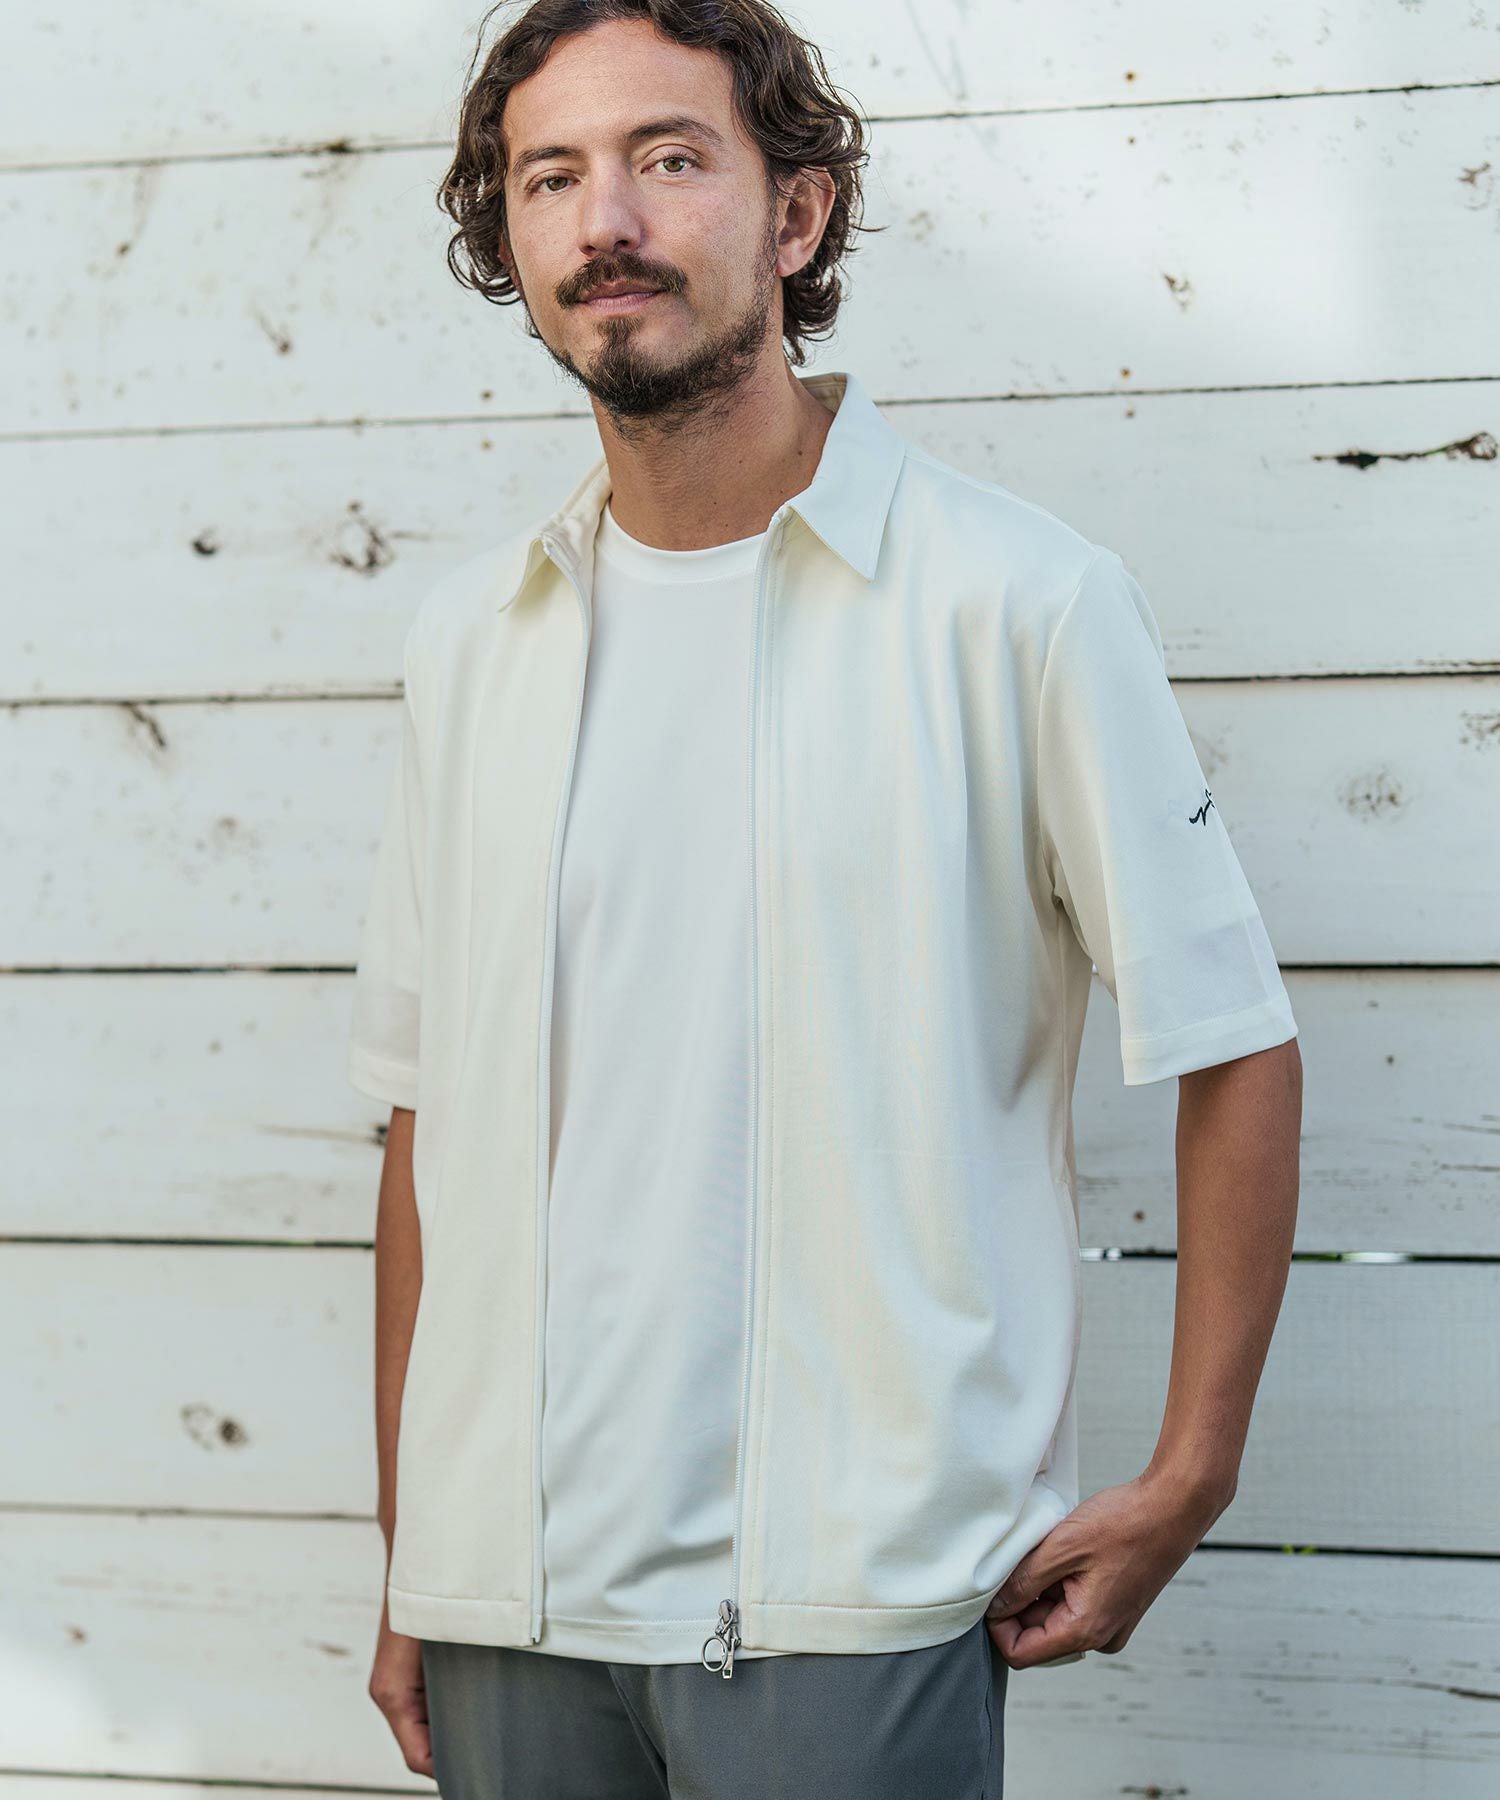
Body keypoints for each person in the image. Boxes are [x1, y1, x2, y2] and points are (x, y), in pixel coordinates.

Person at [348, 2, 1304, 1794]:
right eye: (549, 177)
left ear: (795, 214)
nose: (604, 221)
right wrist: (420, 1547)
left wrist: (1193, 1473)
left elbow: (1233, 1044)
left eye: (669, 158)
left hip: (853, 1609)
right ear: (511, 239)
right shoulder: (471, 644)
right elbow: (423, 1128)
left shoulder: (1018, 603)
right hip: (506, 1608)